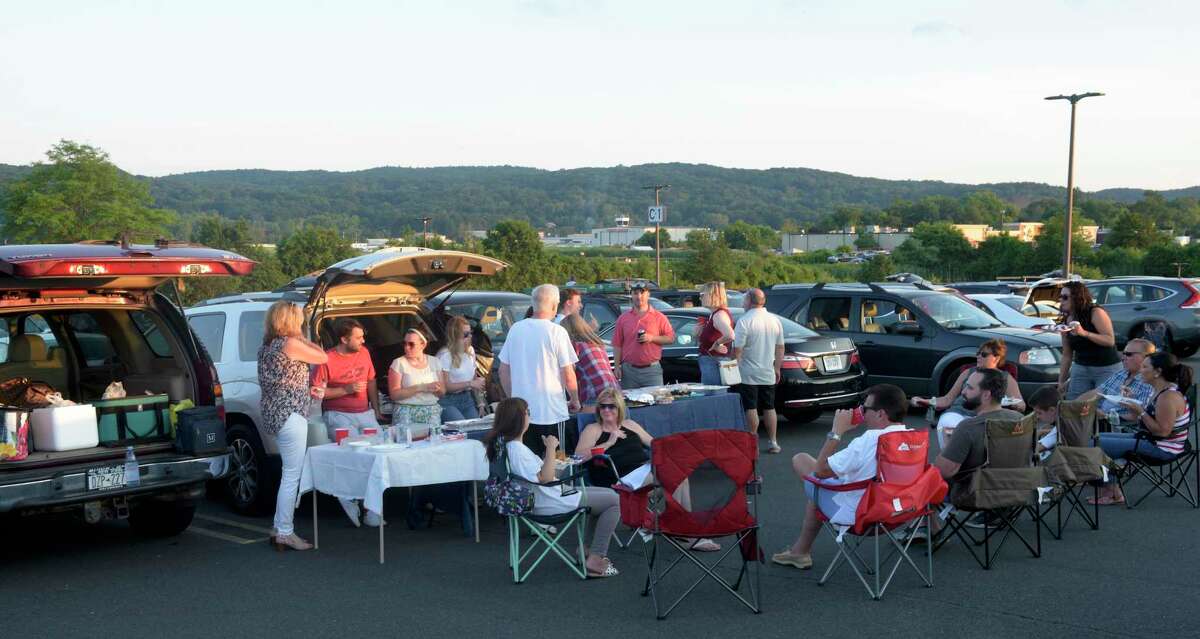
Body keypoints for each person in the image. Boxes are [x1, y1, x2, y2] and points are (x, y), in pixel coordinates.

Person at [772, 384, 911, 570]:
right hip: (899, 512)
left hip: (863, 514)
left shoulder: (869, 440)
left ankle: (800, 552)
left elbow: (820, 471)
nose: (862, 412)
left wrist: (837, 431)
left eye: (865, 408)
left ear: (880, 414)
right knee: (824, 486)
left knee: (802, 462)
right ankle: (800, 552)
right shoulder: (912, 438)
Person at [483, 397, 622, 578]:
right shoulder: (517, 449)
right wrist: (550, 448)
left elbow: (541, 475)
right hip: (549, 501)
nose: (529, 417)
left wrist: (553, 459)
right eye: (527, 413)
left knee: (608, 496)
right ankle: (596, 558)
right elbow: (546, 479)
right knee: (615, 501)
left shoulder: (507, 447)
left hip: (545, 496)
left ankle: (587, 551)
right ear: (518, 419)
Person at [573, 387, 721, 552]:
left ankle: (682, 528)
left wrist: (676, 449)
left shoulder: (630, 425)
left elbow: (655, 444)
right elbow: (578, 457)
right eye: (603, 406)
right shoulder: (593, 429)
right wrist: (608, 443)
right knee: (674, 476)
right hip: (620, 479)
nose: (606, 410)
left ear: (620, 407)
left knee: (680, 476)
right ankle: (685, 533)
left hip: (644, 471)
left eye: (611, 406)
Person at [258, 301, 327, 551]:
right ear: (290, 321)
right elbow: (322, 356)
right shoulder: (291, 343)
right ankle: (285, 532)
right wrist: (303, 335)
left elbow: (283, 378)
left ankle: (279, 527)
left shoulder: (268, 346)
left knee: (287, 474)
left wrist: (305, 390)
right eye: (298, 319)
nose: (301, 323)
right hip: (290, 415)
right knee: (291, 476)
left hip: (274, 414)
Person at [1092, 351, 1193, 505]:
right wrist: (1133, 403)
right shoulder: (1159, 391)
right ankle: (1112, 485)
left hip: (1163, 449)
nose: (1140, 370)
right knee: (1095, 439)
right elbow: (1147, 420)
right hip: (1150, 440)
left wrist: (1141, 411)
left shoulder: (1168, 397)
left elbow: (1162, 432)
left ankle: (1112, 491)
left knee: (1092, 446)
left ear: (1158, 372)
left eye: (1145, 367)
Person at [310, 318, 383, 527]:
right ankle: (349, 497)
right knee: (355, 454)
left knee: (378, 453)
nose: (363, 340)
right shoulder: (327, 359)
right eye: (358, 337)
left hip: (364, 412)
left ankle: (371, 508)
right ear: (344, 338)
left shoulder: (364, 353)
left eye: (363, 336)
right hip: (338, 414)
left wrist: (376, 409)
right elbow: (316, 392)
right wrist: (346, 390)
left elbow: (371, 380)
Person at [499, 284, 581, 457]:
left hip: (523, 416)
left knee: (529, 466)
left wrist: (513, 399)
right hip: (552, 412)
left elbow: (503, 371)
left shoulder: (515, 329)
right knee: (558, 465)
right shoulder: (557, 332)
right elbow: (568, 373)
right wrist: (575, 399)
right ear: (553, 305)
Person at [933, 368, 1025, 507]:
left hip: (975, 493)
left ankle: (929, 527)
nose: (963, 392)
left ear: (986, 395)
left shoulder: (968, 427)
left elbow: (944, 471)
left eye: (969, 388)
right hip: (1018, 488)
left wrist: (948, 446)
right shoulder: (1020, 420)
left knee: (926, 476)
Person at [910, 339, 1024, 449]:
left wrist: (1013, 404)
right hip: (959, 413)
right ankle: (949, 459)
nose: (978, 356)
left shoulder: (1005, 378)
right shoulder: (968, 372)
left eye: (984, 354)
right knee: (947, 424)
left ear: (996, 358)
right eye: (978, 353)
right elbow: (948, 399)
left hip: (988, 417)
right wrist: (927, 401)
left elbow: (1021, 405)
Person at [732, 288, 784, 454]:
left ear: (749, 300)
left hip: (748, 371)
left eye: (744, 299)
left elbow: (738, 349)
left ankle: (752, 441)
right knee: (769, 406)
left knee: (751, 407)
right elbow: (780, 346)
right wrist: (777, 367)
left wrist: (734, 365)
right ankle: (773, 441)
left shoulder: (744, 320)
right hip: (767, 369)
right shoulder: (774, 320)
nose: (742, 302)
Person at [1057, 281, 1121, 400]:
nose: (1061, 300)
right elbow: (1067, 354)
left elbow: (1109, 340)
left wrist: (1083, 333)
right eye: (1060, 297)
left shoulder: (1095, 312)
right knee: (1075, 404)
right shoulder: (1066, 320)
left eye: (1065, 297)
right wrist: (1061, 381)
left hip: (1106, 367)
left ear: (1077, 297)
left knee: (1104, 404)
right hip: (1081, 367)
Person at [1076, 338, 1156, 427]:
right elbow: (1097, 392)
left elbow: (1139, 417)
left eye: (1129, 354)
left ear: (1146, 358)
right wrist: (1073, 405)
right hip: (1098, 418)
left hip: (1118, 426)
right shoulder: (1121, 373)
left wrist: (1106, 416)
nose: (1123, 358)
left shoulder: (1149, 384)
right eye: (1124, 353)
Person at [388, 328, 458, 430]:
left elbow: (442, 392)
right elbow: (394, 395)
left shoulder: (435, 362)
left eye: (411, 344)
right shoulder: (398, 363)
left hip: (431, 412)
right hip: (406, 413)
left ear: (423, 345)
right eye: (404, 343)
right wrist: (421, 387)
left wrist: (438, 388)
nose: (407, 347)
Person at [611, 283, 674, 389]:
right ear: (631, 295)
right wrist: (617, 367)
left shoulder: (659, 317)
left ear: (648, 294)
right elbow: (617, 344)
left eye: (642, 293)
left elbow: (671, 338)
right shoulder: (623, 318)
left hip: (652, 371)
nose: (639, 296)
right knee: (630, 404)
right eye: (635, 293)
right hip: (629, 371)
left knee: (656, 403)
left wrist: (652, 338)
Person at [563, 312, 617, 407]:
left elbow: (568, 373)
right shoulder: (598, 344)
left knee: (588, 421)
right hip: (613, 389)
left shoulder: (575, 346)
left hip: (594, 392)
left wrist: (574, 399)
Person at [437, 316, 486, 421]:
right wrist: (470, 383)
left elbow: (475, 380)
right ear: (455, 336)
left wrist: (480, 403)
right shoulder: (445, 355)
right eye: (466, 334)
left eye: (470, 333)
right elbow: (445, 387)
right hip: (447, 400)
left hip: (467, 398)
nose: (470, 336)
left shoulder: (470, 351)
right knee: (461, 430)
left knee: (475, 429)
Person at [697, 281, 735, 386]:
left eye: (702, 295)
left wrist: (717, 343)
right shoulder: (715, 314)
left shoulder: (719, 315)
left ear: (712, 295)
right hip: (713, 361)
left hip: (714, 362)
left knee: (713, 395)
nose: (700, 298)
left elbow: (730, 335)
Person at [1029, 385, 1060, 455]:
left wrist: (1035, 435)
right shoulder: (1065, 420)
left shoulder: (1060, 429)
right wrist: (1042, 432)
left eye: (1039, 413)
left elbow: (1034, 450)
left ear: (1052, 410)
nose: (1037, 417)